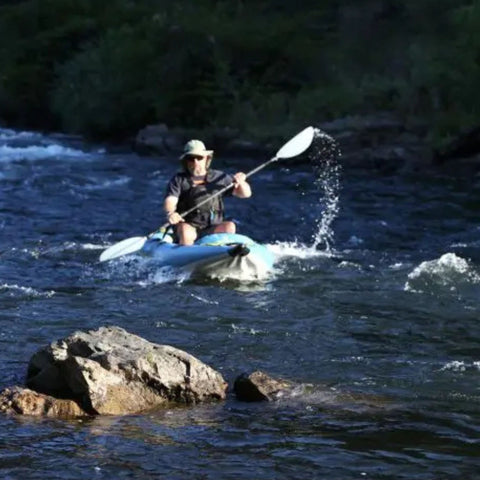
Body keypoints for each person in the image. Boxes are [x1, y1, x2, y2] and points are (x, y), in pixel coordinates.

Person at [163, 139, 251, 245]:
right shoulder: (178, 180)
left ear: (206, 159)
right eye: (191, 158)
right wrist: (171, 213)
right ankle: (188, 253)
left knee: (229, 226)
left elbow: (245, 194)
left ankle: (222, 254)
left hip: (213, 227)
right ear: (186, 161)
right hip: (189, 227)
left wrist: (241, 183)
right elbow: (170, 201)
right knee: (186, 232)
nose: (195, 162)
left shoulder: (219, 177)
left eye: (199, 158)